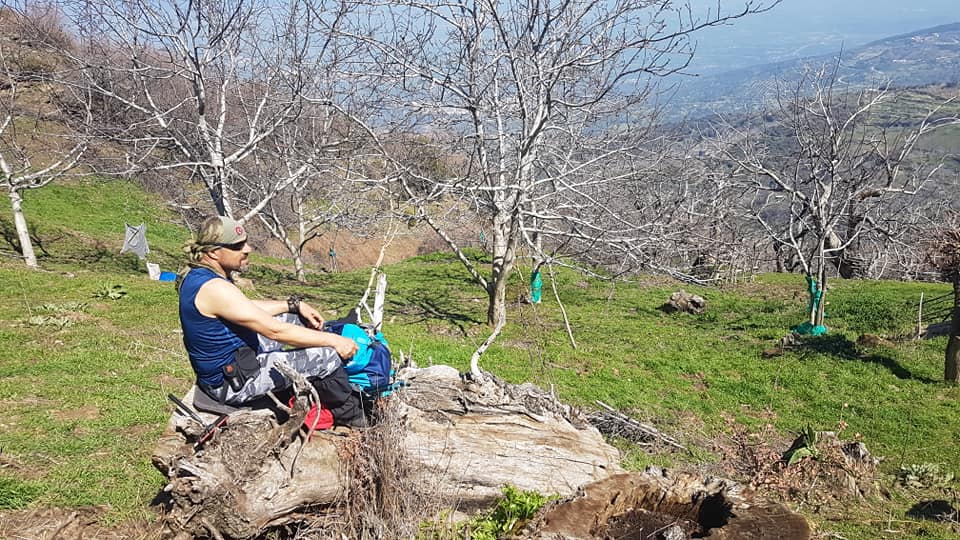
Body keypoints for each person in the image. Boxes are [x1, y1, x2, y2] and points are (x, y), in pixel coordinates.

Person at [176, 215, 366, 427]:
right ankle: (350, 415)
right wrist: (334, 341)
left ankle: (312, 377)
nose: (247, 249)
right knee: (327, 356)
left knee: (295, 319)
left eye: (245, 243)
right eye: (238, 246)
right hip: (233, 384)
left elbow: (243, 307)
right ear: (213, 252)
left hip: (237, 361)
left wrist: (293, 305)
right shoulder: (214, 288)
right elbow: (275, 331)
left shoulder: (200, 275)